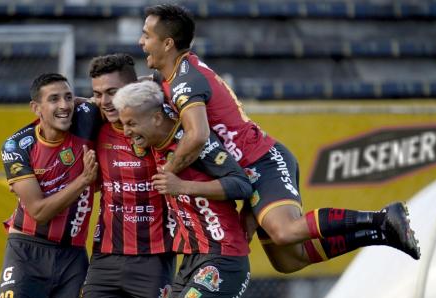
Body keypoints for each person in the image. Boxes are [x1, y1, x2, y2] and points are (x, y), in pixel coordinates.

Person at [138, 3, 420, 273]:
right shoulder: (168, 77)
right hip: (248, 170)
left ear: (168, 44)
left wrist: (170, 174)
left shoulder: (185, 81)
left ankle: (382, 217)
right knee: (289, 261)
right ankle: (379, 232)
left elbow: (197, 135)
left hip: (264, 162)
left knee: (284, 231)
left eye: (147, 35)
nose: (141, 42)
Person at [114, 80, 252, 298]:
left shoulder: (193, 141)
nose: (127, 132)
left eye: (131, 124)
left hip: (223, 254)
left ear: (157, 118)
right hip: (192, 259)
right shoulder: (155, 139)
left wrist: (182, 186)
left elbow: (241, 185)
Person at [0, 73, 99, 298]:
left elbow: (110, 98)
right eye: (53, 99)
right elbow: (39, 212)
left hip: (72, 254)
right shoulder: (16, 146)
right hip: (26, 252)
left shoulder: (86, 121)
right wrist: (84, 181)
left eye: (68, 97)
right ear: (36, 108)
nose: (64, 105)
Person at [81, 53, 175, 298]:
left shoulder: (163, 127)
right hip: (104, 258)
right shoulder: (93, 126)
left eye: (112, 92)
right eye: (98, 94)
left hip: (154, 259)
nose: (105, 101)